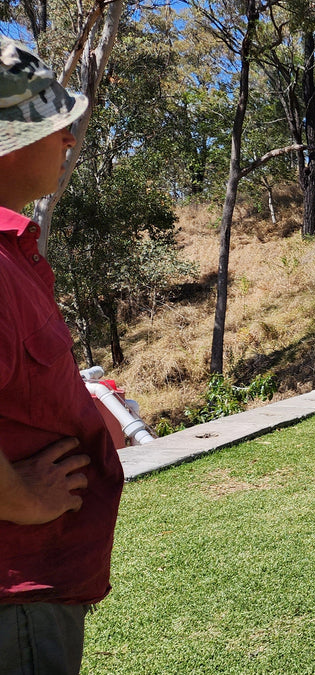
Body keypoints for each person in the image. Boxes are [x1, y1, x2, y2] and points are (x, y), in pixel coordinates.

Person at [0, 37, 125, 675]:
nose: (68, 142)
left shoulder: (13, 254)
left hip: (36, 590)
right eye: (52, 128)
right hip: (13, 597)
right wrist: (19, 497)